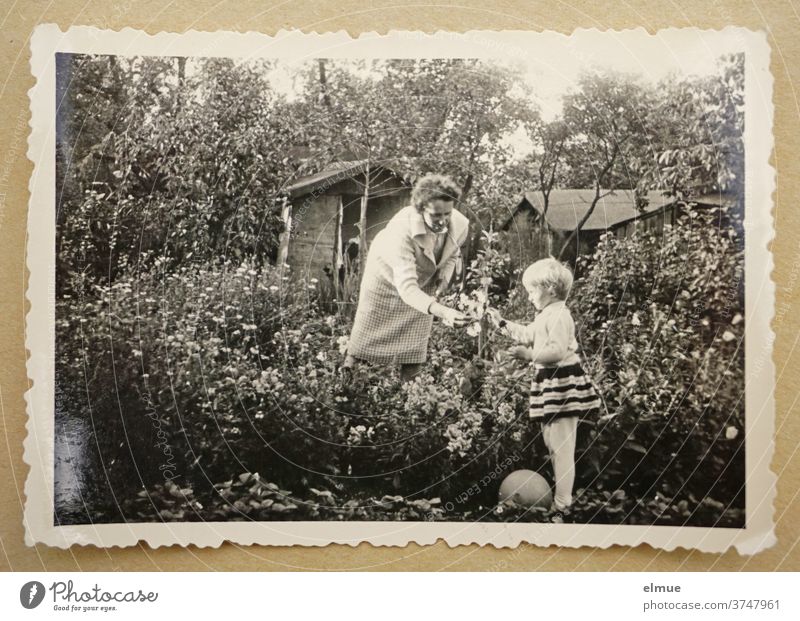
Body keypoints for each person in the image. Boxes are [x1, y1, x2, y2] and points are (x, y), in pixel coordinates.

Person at [488, 258, 601, 522]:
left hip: (563, 387)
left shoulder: (560, 315)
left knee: (562, 448)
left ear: (550, 289)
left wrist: (529, 355)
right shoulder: (546, 315)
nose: (528, 297)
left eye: (532, 291)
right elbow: (528, 334)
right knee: (553, 445)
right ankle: (560, 501)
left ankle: (562, 505)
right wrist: (501, 323)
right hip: (551, 386)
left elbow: (557, 351)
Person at [343, 174, 469, 382]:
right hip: (385, 276)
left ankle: (410, 393)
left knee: (416, 343)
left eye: (448, 213)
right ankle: (348, 381)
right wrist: (444, 312)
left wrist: (443, 281)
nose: (443, 220)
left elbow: (453, 254)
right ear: (420, 210)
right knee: (364, 335)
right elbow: (408, 289)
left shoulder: (460, 224)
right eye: (436, 215)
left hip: (425, 276)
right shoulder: (402, 230)